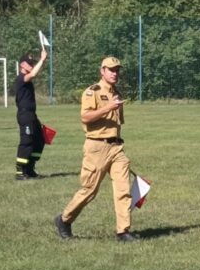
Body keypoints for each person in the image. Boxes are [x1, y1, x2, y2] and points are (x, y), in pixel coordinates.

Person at [55, 57, 138, 242]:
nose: (115, 73)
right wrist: (108, 107)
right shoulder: (92, 92)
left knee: (123, 189)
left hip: (116, 147)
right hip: (96, 146)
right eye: (111, 70)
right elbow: (85, 117)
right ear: (102, 71)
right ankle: (64, 219)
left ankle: (123, 231)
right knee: (90, 190)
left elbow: (117, 122)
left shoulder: (116, 92)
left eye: (117, 70)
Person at [14, 49, 48, 180]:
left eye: (32, 64)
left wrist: (41, 62)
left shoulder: (27, 79)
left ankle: (30, 168)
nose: (31, 66)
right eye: (29, 64)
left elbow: (34, 73)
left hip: (32, 115)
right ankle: (20, 171)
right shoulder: (21, 79)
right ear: (22, 65)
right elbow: (33, 74)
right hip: (25, 115)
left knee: (40, 140)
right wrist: (42, 60)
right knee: (26, 141)